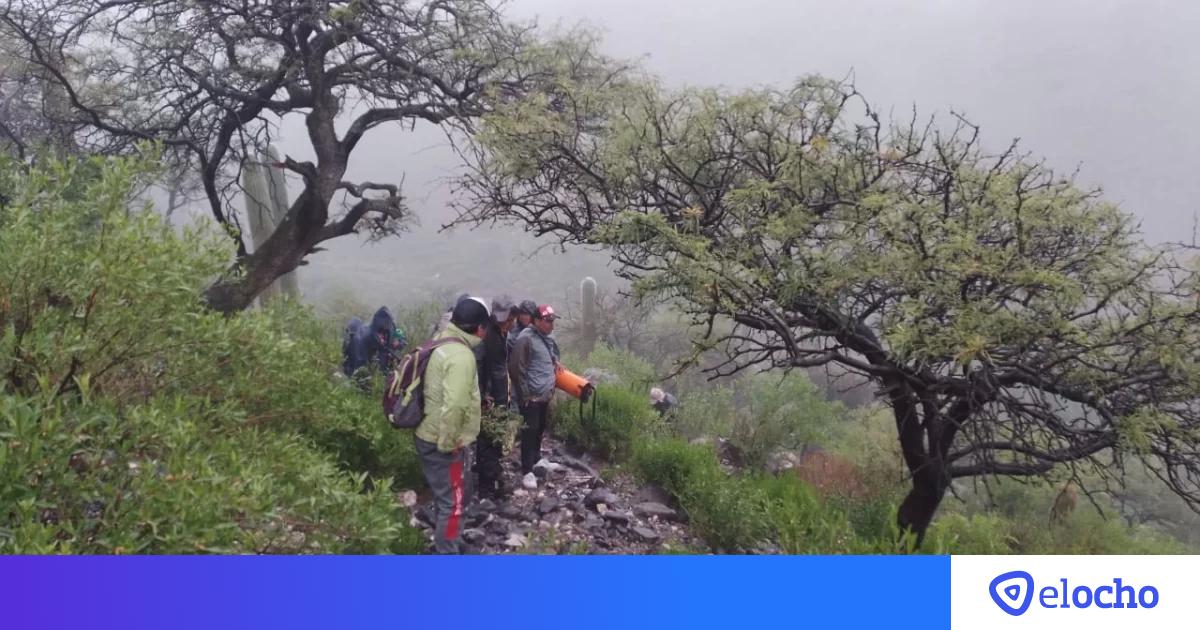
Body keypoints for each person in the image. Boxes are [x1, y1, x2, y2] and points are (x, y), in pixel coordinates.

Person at [413, 297, 489, 554]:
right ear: (479, 328)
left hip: (430, 433)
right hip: (443, 439)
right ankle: (447, 554)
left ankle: (450, 540)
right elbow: (455, 404)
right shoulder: (461, 356)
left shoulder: (443, 340)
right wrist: (450, 444)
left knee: (453, 497)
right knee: (453, 504)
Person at [508, 304, 560, 490]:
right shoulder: (525, 339)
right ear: (536, 320)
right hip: (531, 396)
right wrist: (525, 394)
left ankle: (537, 459)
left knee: (539, 429)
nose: (551, 325)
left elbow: (546, 357)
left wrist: (555, 363)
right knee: (529, 432)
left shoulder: (545, 338)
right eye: (547, 321)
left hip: (544, 395)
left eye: (552, 321)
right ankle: (527, 469)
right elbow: (516, 368)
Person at [475, 295, 516, 498]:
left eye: (508, 319)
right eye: (504, 320)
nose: (506, 323)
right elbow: (480, 367)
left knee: (495, 441)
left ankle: (492, 481)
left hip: (500, 397)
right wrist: (483, 396)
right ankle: (486, 490)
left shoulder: (501, 334)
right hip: (490, 399)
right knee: (487, 443)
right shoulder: (488, 335)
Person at [342, 307, 403, 387]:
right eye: (385, 325)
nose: (387, 326)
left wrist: (398, 341)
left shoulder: (390, 329)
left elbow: (400, 336)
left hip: (382, 367)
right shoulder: (362, 338)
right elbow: (360, 364)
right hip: (365, 368)